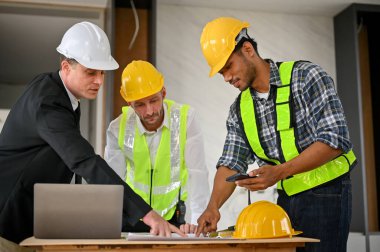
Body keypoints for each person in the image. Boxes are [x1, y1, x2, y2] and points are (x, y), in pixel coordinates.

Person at [0, 21, 184, 244]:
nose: (99, 81)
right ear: (67, 67)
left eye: (102, 73)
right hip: (6, 221)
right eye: (90, 72)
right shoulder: (48, 103)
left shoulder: (58, 94)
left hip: (24, 220)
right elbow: (83, 160)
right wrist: (147, 214)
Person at [196, 17, 357, 252]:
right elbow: (231, 162)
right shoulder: (239, 109)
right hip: (286, 200)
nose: (227, 78)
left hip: (329, 194)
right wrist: (213, 206)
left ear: (248, 49)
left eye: (228, 66)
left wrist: (279, 172)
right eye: (221, 73)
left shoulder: (305, 77)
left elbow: (335, 139)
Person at [104, 60, 210, 234]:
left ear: (164, 93)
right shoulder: (117, 128)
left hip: (174, 218)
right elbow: (113, 183)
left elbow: (197, 174)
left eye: (154, 100)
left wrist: (197, 221)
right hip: (134, 218)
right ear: (129, 103)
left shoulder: (186, 119)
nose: (149, 111)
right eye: (139, 104)